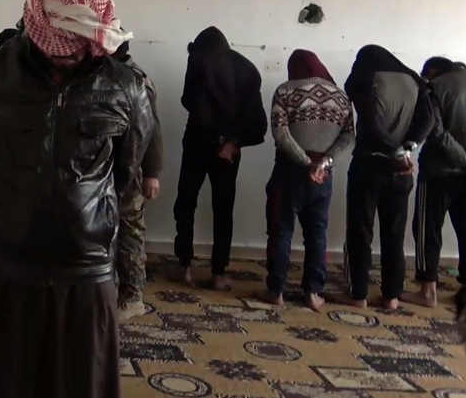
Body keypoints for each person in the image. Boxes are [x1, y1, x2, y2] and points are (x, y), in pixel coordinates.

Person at [0, 0, 154, 398]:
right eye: (59, 39)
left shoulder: (127, 89)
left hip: (85, 273)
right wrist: (0, 205)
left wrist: (85, 214)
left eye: (79, 41)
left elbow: (125, 172)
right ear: (35, 21)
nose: (67, 52)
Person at [256, 49, 354, 311]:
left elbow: (280, 133)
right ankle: (313, 292)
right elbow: (348, 139)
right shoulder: (341, 97)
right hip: (323, 176)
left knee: (280, 230)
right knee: (317, 233)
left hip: (288, 172)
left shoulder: (285, 91)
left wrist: (304, 161)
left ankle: (276, 290)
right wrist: (324, 163)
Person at [173, 26, 267, 290]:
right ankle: (218, 273)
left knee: (186, 203)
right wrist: (233, 142)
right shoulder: (247, 68)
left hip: (197, 141)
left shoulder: (198, 59)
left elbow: (188, 100)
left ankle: (185, 266)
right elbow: (256, 120)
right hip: (228, 149)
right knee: (223, 209)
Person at [341, 45, 435, 310]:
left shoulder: (367, 77)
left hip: (369, 165)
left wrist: (395, 150)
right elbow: (429, 119)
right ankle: (392, 296)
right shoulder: (414, 81)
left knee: (360, 231)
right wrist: (408, 148)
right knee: (395, 235)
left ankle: (358, 295)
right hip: (401, 170)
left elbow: (371, 122)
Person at [405, 60, 466, 308]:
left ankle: (427, 291)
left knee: (427, 230)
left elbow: (436, 132)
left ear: (432, 72)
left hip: (438, 173)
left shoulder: (433, 87)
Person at [111, 38, 163, 320]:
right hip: (108, 166)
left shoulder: (136, 80)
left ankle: (132, 296)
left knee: (129, 232)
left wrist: (152, 173)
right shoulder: (109, 74)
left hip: (129, 169)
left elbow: (151, 129)